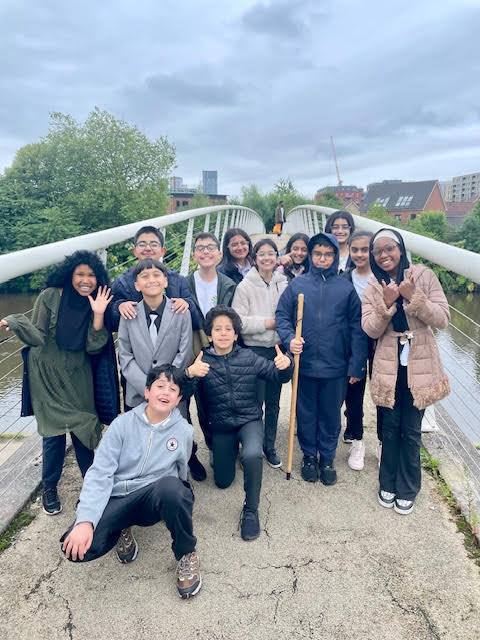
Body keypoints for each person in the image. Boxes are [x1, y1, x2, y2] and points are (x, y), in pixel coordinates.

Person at [60, 364, 202, 600]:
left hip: (151, 497)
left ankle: (187, 554)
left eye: (173, 389)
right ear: (147, 391)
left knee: (174, 489)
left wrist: (179, 504)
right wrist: (85, 521)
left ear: (178, 399)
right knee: (75, 549)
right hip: (119, 496)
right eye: (160, 386)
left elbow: (181, 469)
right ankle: (119, 527)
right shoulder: (122, 424)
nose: (165, 393)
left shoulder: (184, 431)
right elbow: (100, 472)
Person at [0, 251, 113, 515]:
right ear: (69, 275)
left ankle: (92, 487)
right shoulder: (50, 295)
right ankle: (49, 488)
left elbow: (94, 347)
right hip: (46, 372)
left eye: (91, 275)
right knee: (53, 433)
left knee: (83, 425)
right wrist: (15, 321)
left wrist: (98, 314)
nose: (85, 280)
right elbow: (38, 336)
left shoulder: (96, 300)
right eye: (79, 274)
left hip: (78, 374)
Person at [362, 229, 450, 515]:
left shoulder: (423, 275)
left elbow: (443, 319)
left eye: (389, 248)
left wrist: (415, 297)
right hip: (388, 364)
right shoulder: (373, 285)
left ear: (400, 249)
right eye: (378, 251)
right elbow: (370, 329)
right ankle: (387, 482)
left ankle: (408, 487)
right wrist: (387, 303)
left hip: (419, 362)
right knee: (389, 428)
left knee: (411, 430)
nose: (384, 255)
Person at [186, 306, 293, 541]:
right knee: (223, 482)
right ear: (209, 335)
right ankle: (229, 453)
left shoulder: (248, 357)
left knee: (252, 454)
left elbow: (278, 376)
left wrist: (287, 366)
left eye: (229, 329)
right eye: (217, 329)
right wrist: (190, 374)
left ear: (236, 335)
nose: (223, 333)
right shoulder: (203, 362)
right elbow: (185, 393)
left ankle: (251, 510)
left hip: (249, 420)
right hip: (221, 425)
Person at [110, 225, 205, 481]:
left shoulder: (177, 285)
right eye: (142, 243)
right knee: (140, 434)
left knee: (177, 427)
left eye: (153, 243)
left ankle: (183, 469)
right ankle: (143, 477)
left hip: (172, 384)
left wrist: (166, 384)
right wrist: (147, 386)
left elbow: (185, 346)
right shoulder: (124, 291)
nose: (148, 248)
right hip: (138, 386)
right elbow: (124, 354)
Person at [276, 232, 367, 485]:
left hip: (335, 366)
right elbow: (282, 316)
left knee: (330, 414)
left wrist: (356, 365)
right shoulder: (298, 285)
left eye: (328, 254)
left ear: (335, 256)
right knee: (305, 413)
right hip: (304, 364)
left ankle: (327, 457)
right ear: (310, 255)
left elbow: (357, 328)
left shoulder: (346, 288)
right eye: (317, 253)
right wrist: (289, 339)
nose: (322, 258)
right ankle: (308, 456)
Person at [232, 238, 288, 468]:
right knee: (254, 403)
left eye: (271, 253)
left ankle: (269, 446)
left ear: (277, 257)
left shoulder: (284, 283)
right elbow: (238, 321)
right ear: (254, 259)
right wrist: (267, 323)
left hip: (277, 350)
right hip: (254, 350)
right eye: (261, 254)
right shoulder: (245, 286)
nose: (267, 258)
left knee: (274, 402)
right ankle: (250, 449)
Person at [185, 232, 236, 451]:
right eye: (200, 248)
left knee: (223, 396)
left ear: (219, 254)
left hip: (222, 344)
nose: (205, 252)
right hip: (194, 343)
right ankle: (209, 443)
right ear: (194, 255)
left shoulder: (229, 285)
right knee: (200, 397)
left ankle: (227, 444)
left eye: (210, 248)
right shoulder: (184, 284)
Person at [342, 230, 374, 471]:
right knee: (353, 393)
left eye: (365, 249)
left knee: (384, 393)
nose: (360, 254)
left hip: (382, 342)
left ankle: (383, 441)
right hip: (353, 341)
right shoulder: (344, 279)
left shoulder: (384, 278)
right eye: (355, 250)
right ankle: (357, 440)